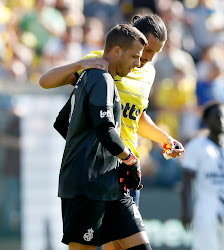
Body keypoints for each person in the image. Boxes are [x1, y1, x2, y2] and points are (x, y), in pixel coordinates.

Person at [39, 14, 185, 250]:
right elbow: (46, 83)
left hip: (125, 171)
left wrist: (164, 139)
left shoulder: (147, 73)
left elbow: (136, 116)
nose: (145, 60)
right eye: (145, 51)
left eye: (153, 54)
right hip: (98, 168)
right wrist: (79, 65)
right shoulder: (100, 64)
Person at [48, 23, 153, 250]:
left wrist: (95, 150)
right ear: (116, 51)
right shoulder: (100, 79)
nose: (138, 64)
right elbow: (105, 129)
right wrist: (130, 159)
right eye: (135, 57)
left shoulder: (93, 78)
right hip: (85, 188)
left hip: (110, 184)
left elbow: (61, 122)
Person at [181, 101, 224, 250]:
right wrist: (186, 211)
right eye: (217, 117)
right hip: (206, 210)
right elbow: (186, 181)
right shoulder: (196, 146)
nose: (222, 121)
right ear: (206, 120)